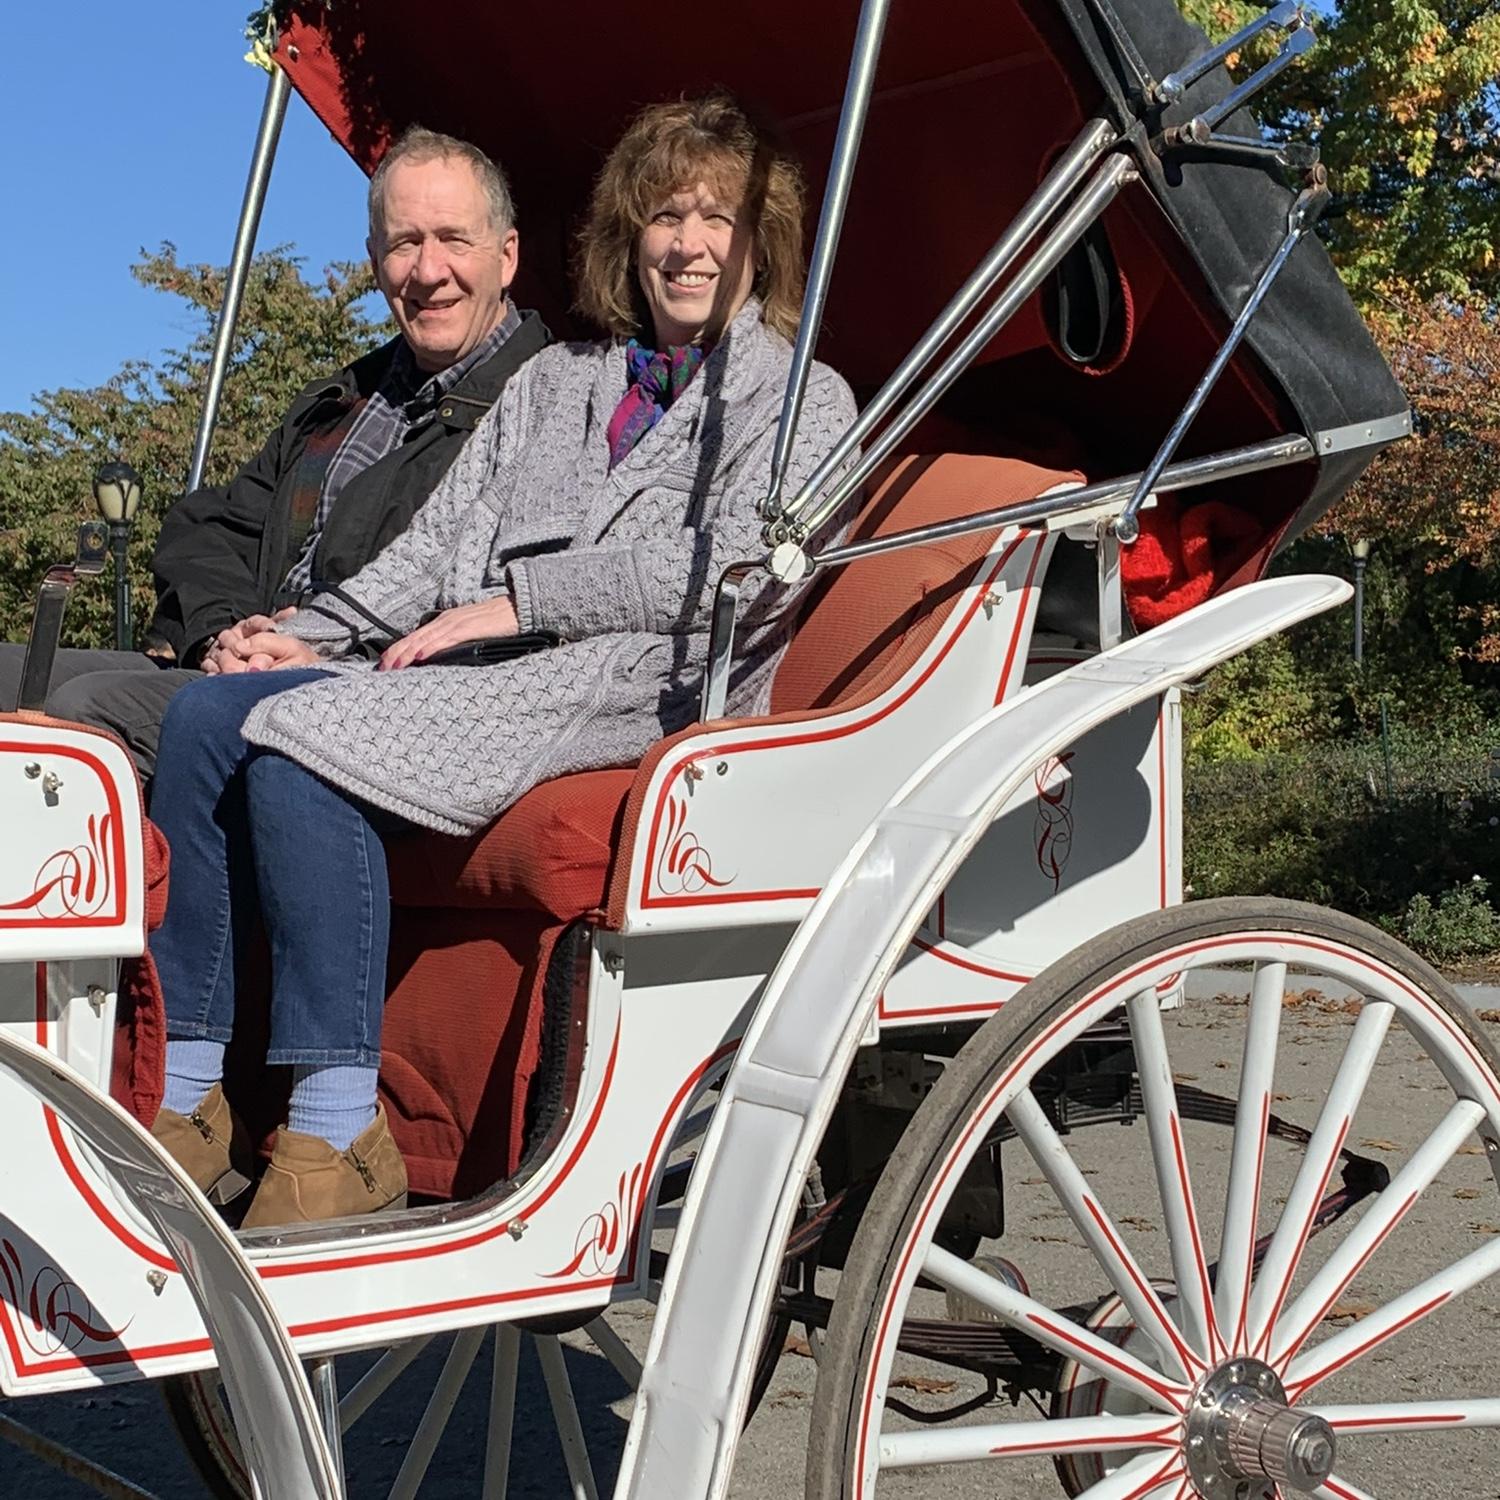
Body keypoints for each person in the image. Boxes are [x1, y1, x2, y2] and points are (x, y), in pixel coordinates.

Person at [146, 91, 857, 1229]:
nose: (687, 245)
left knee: (299, 743)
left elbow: (748, 570)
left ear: (756, 241)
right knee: (203, 716)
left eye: (715, 218)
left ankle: (338, 1125)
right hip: (490, 676)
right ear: (629, 237)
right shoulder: (558, 381)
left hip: (642, 682)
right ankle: (187, 1094)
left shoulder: (803, 399)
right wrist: (306, 633)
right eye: (665, 216)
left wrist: (522, 600)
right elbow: (434, 550)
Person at [0, 127, 548, 776]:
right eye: (405, 243)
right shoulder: (342, 399)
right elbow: (215, 527)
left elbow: (511, 598)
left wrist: (315, 642)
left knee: (83, 713)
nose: (428, 272)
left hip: (372, 695)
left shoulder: (548, 403)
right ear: (375, 260)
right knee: (7, 676)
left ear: (506, 256)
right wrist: (223, 634)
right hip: (248, 664)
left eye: (454, 239)